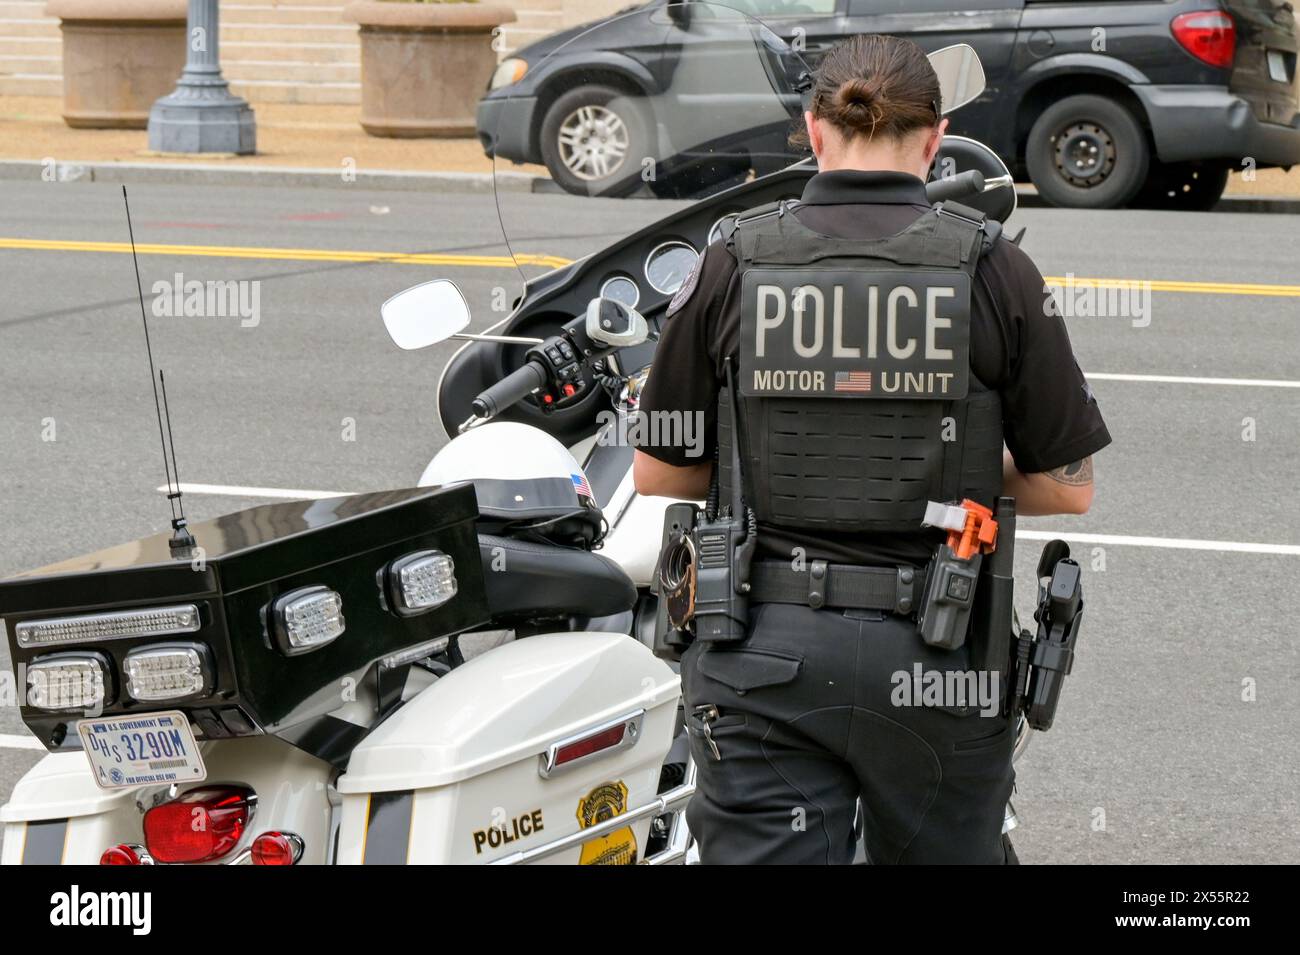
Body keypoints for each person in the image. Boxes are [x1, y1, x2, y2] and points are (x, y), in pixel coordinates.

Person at [632, 34, 1111, 864]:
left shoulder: (732, 259)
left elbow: (659, 469)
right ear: (936, 138)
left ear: (814, 132)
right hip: (940, 656)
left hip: (760, 650)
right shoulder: (995, 268)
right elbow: (1067, 486)